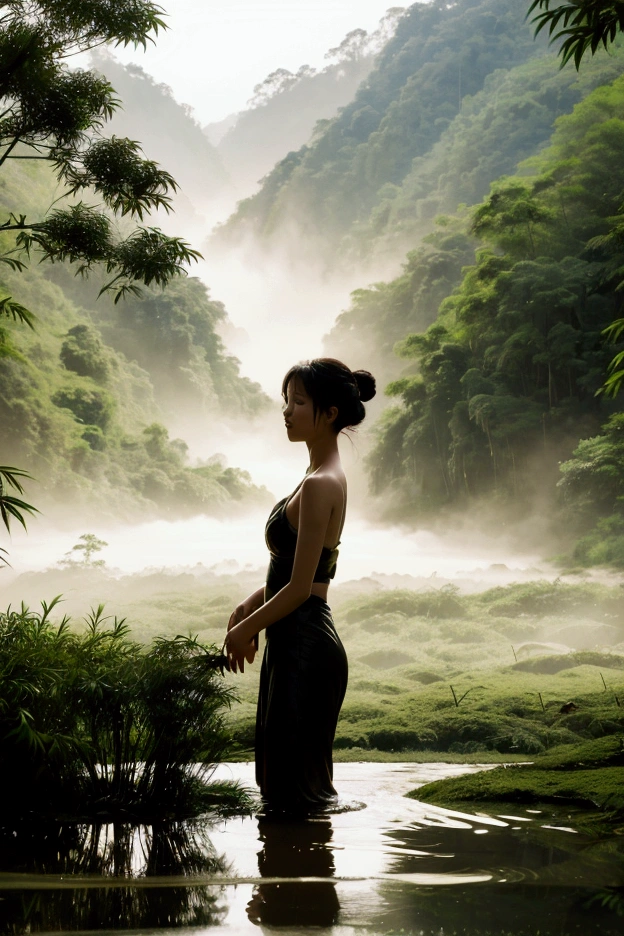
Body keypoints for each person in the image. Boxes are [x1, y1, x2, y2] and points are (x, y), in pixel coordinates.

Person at [224, 358, 376, 813]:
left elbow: (300, 587)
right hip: (292, 639)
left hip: (304, 643)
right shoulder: (314, 478)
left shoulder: (320, 484)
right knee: (282, 786)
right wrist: (248, 606)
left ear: (329, 413)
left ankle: (301, 881)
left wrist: (242, 629)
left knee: (294, 795)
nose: (287, 412)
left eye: (299, 402)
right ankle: (294, 880)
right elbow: (294, 571)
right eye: (286, 402)